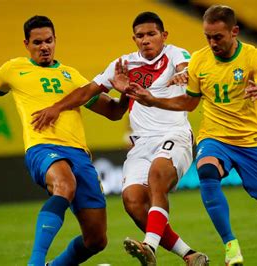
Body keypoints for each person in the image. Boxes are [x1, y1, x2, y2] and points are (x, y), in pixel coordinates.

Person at [0, 15, 130, 266]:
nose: (44, 47)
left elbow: (114, 113)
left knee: (96, 240)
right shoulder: (13, 69)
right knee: (65, 184)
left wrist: (125, 93)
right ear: (26, 44)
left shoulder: (71, 76)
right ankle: (36, 262)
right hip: (43, 148)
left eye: (49, 41)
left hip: (79, 154)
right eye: (37, 42)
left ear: (55, 41)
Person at [31, 12, 208, 266]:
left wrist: (184, 75)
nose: (146, 40)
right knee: (133, 201)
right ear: (133, 38)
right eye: (140, 36)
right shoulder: (123, 64)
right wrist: (57, 108)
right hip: (141, 144)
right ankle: (190, 256)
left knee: (157, 177)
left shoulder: (175, 54)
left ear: (163, 35)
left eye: (151, 34)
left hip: (174, 135)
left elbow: (187, 69)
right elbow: (88, 91)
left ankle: (149, 247)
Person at [126, 5, 257, 266]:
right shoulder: (200, 60)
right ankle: (231, 246)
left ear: (234, 32)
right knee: (206, 171)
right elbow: (189, 103)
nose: (212, 42)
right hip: (214, 137)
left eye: (217, 37)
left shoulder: (253, 57)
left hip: (250, 142)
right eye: (207, 36)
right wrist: (153, 100)